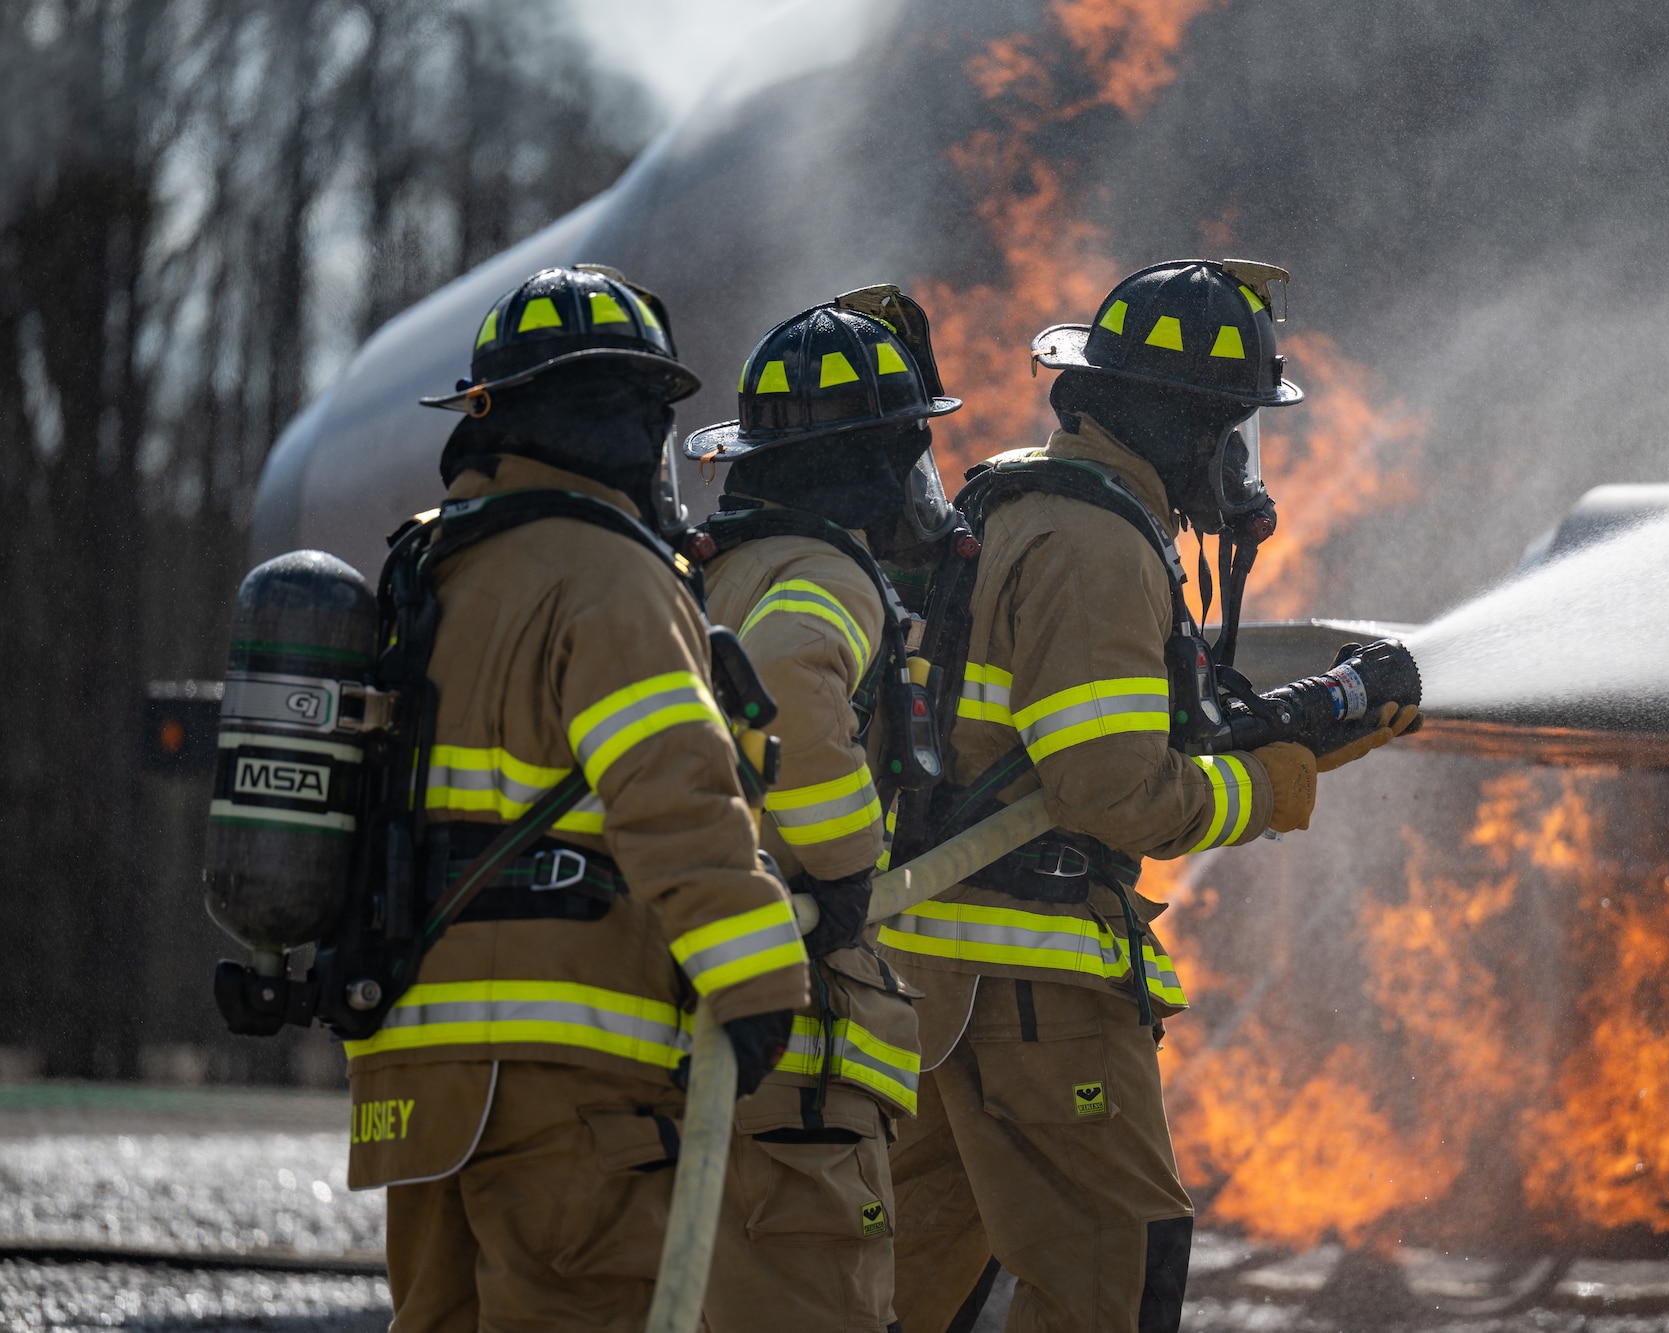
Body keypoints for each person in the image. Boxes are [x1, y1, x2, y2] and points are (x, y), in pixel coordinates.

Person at [879, 259, 1421, 1332]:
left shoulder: (1019, 503)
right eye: (1231, 433)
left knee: (899, 1286)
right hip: (1038, 983)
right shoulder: (1096, 544)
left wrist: (1305, 729)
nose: (1238, 465)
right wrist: (1271, 785)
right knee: (1113, 1274)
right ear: (1182, 427)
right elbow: (1112, 790)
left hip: (941, 976)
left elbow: (1089, 738)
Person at [343, 265, 810, 1333]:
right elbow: (674, 793)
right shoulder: (611, 574)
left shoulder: (429, 565)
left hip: (412, 1067)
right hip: (563, 1072)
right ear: (626, 417)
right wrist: (754, 981)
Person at [684, 286, 963, 1332]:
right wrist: (845, 866)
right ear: (875, 460)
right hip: (794, 1027)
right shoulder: (824, 573)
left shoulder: (716, 570)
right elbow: (793, 693)